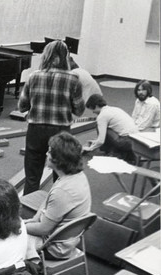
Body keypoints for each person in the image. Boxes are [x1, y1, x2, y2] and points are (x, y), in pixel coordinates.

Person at [18, 40, 85, 195]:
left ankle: (29, 209)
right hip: (61, 132)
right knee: (61, 175)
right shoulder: (73, 79)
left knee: (32, 176)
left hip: (35, 130)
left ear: (45, 56)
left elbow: (22, 106)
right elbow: (79, 110)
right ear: (65, 57)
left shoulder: (33, 76)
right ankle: (57, 208)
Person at [24, 132, 91, 260]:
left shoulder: (62, 191)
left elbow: (43, 230)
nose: (46, 154)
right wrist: (34, 218)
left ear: (58, 160)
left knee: (2, 237)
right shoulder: (76, 176)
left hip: (53, 248)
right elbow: (48, 199)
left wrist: (18, 227)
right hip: (67, 240)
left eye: (49, 152)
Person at [83, 94, 138, 163]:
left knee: (100, 126)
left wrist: (90, 148)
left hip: (126, 142)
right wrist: (95, 142)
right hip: (136, 141)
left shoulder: (102, 116)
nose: (93, 112)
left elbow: (101, 141)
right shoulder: (115, 109)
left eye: (92, 109)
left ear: (96, 106)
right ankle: (120, 152)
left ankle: (111, 151)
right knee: (108, 128)